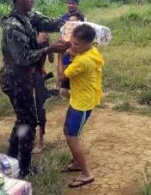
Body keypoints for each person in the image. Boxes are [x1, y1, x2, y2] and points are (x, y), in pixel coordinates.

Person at [0, 0, 68, 178]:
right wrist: (49, 49)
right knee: (28, 121)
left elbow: (50, 22)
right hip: (15, 77)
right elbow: (22, 58)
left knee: (23, 119)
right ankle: (23, 169)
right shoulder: (13, 25)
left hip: (25, 76)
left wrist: (72, 25)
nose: (32, 0)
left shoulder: (29, 16)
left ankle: (11, 160)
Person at [59, 24, 104, 188]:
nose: (72, 45)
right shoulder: (90, 51)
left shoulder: (84, 60)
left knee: (72, 137)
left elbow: (61, 75)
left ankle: (87, 173)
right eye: (72, 41)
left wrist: (62, 56)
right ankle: (77, 163)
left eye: (76, 43)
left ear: (88, 44)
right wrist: (72, 52)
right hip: (77, 100)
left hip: (82, 104)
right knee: (66, 130)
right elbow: (74, 56)